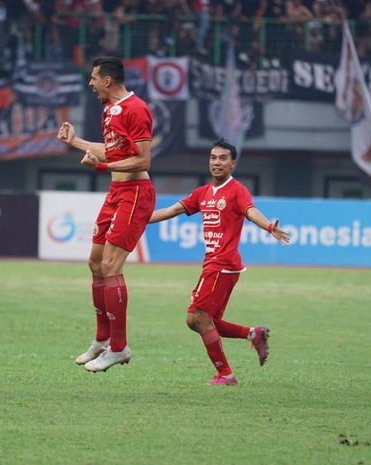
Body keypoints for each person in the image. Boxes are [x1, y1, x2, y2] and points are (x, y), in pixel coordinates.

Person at [148, 138, 291, 386]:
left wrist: (269, 227)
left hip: (222, 264)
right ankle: (252, 334)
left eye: (223, 158)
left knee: (196, 318)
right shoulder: (202, 193)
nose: (217, 162)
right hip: (215, 264)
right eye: (213, 158)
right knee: (203, 320)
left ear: (233, 163)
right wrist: (137, 220)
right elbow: (172, 210)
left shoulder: (237, 190)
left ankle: (225, 374)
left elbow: (250, 211)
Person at [57, 56, 155, 373]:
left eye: (94, 78)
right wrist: (75, 143)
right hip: (116, 193)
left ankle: (119, 347)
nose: (91, 83)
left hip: (136, 193)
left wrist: (102, 167)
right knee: (96, 263)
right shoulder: (109, 110)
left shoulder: (136, 109)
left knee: (112, 265)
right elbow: (111, 152)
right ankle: (102, 340)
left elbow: (142, 161)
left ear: (108, 80)